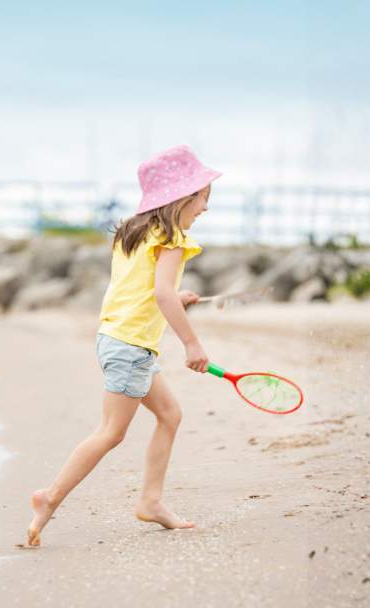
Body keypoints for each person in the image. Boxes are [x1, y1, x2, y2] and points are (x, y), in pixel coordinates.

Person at [25, 144, 223, 547]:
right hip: (131, 346)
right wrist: (192, 344)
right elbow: (161, 294)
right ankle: (50, 497)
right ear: (182, 197)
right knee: (111, 432)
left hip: (117, 338)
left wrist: (175, 296)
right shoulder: (173, 238)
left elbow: (145, 288)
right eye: (203, 198)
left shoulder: (134, 230)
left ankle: (151, 502)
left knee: (169, 414)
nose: (205, 207)